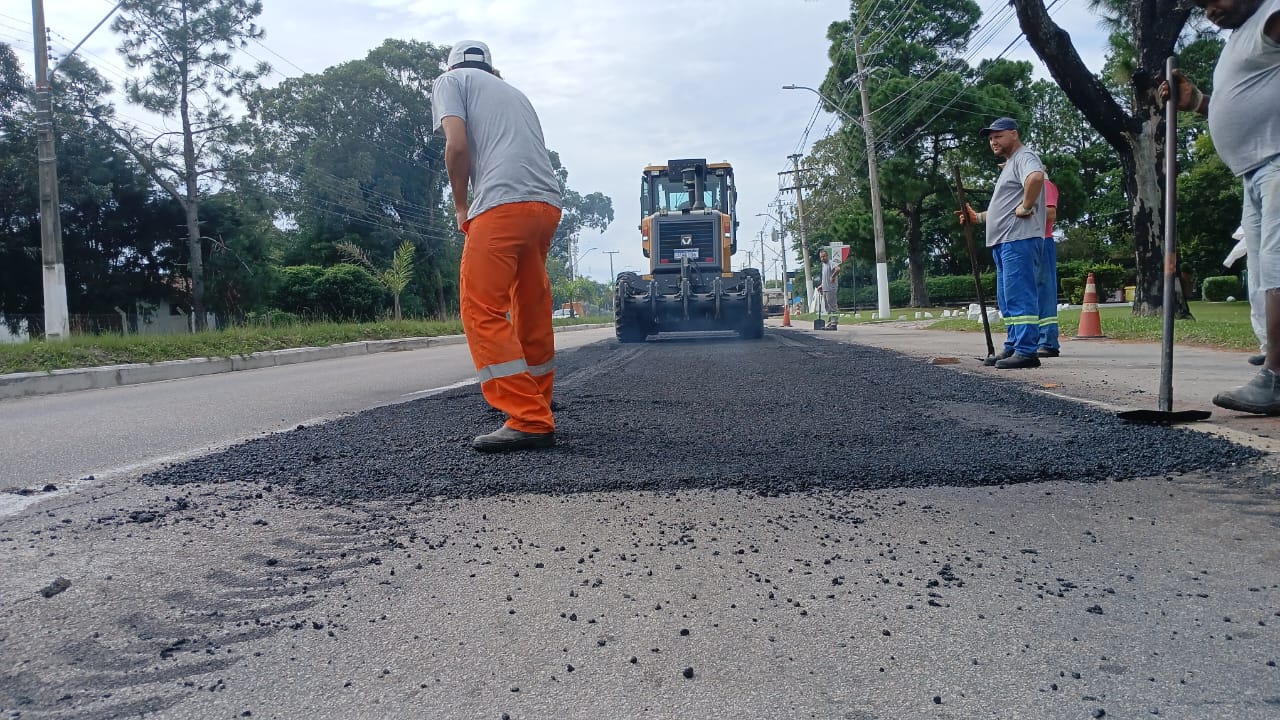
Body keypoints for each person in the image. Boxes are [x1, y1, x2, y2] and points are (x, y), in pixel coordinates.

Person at [433, 41, 564, 450]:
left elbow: (456, 146)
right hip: (546, 206)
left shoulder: (450, 81)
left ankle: (527, 416)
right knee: (531, 304)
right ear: (492, 68)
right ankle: (537, 401)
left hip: (502, 204)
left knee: (481, 306)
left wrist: (460, 207)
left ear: (452, 65)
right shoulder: (515, 93)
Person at [1168, 0, 1280, 413]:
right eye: (1201, 7)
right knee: (1265, 272)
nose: (1209, 11)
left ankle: (1277, 380)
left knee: (1278, 265)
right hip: (1254, 171)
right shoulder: (1242, 36)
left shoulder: (1272, 14)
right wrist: (1197, 101)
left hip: (1276, 162)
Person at [957, 117, 1047, 369]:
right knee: (1007, 299)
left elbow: (1036, 178)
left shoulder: (1023, 157)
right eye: (990, 138)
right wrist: (978, 218)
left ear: (1014, 134)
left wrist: (1027, 206)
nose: (993, 141)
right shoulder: (1009, 164)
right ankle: (1013, 345)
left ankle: (1027, 351)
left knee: (1020, 295)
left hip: (1018, 239)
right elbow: (1004, 208)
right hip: (1005, 241)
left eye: (998, 136)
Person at [1223, 225, 1268, 364]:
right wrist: (1230, 259)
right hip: (1257, 264)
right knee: (1258, 305)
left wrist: (1230, 259)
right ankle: (1268, 349)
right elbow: (1249, 236)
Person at [1037, 176, 1061, 357]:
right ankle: (1036, 339)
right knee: (1032, 294)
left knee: (1044, 291)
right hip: (1029, 242)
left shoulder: (1044, 185)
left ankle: (1048, 340)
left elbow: (1051, 213)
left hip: (1042, 241)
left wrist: (1026, 210)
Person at [818, 248, 841, 329]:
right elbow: (825, 278)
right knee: (827, 307)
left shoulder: (831, 263)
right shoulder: (823, 265)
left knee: (832, 306)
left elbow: (838, 269)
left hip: (831, 288)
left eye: (824, 256)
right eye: (821, 257)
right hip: (825, 288)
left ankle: (834, 323)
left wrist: (833, 276)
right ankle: (830, 322)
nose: (822, 258)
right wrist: (821, 285)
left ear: (827, 256)